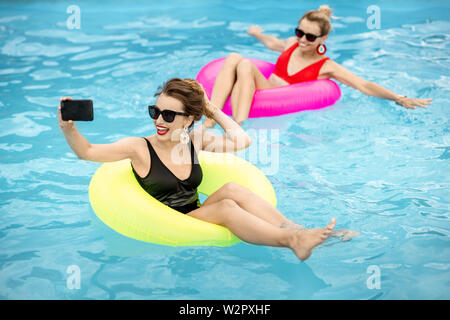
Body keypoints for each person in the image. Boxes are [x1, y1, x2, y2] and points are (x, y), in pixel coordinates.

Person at [58, 78, 342, 261]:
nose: (159, 120)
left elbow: (242, 140)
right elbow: (88, 152)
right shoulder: (139, 148)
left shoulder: (193, 139)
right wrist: (68, 128)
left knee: (232, 189)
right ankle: (292, 241)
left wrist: (211, 109)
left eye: (168, 115)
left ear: (189, 119)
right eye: (154, 112)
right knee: (228, 206)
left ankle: (301, 230)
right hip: (170, 221)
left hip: (197, 212)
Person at [203, 5, 432, 127]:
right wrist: (258, 35)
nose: (302, 40)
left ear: (323, 40)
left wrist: (398, 97)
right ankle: (212, 118)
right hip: (262, 84)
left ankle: (238, 126)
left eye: (310, 37)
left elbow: (364, 85)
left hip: (275, 95)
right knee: (234, 56)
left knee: (244, 66)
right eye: (299, 32)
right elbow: (275, 43)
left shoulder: (326, 66)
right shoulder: (292, 44)